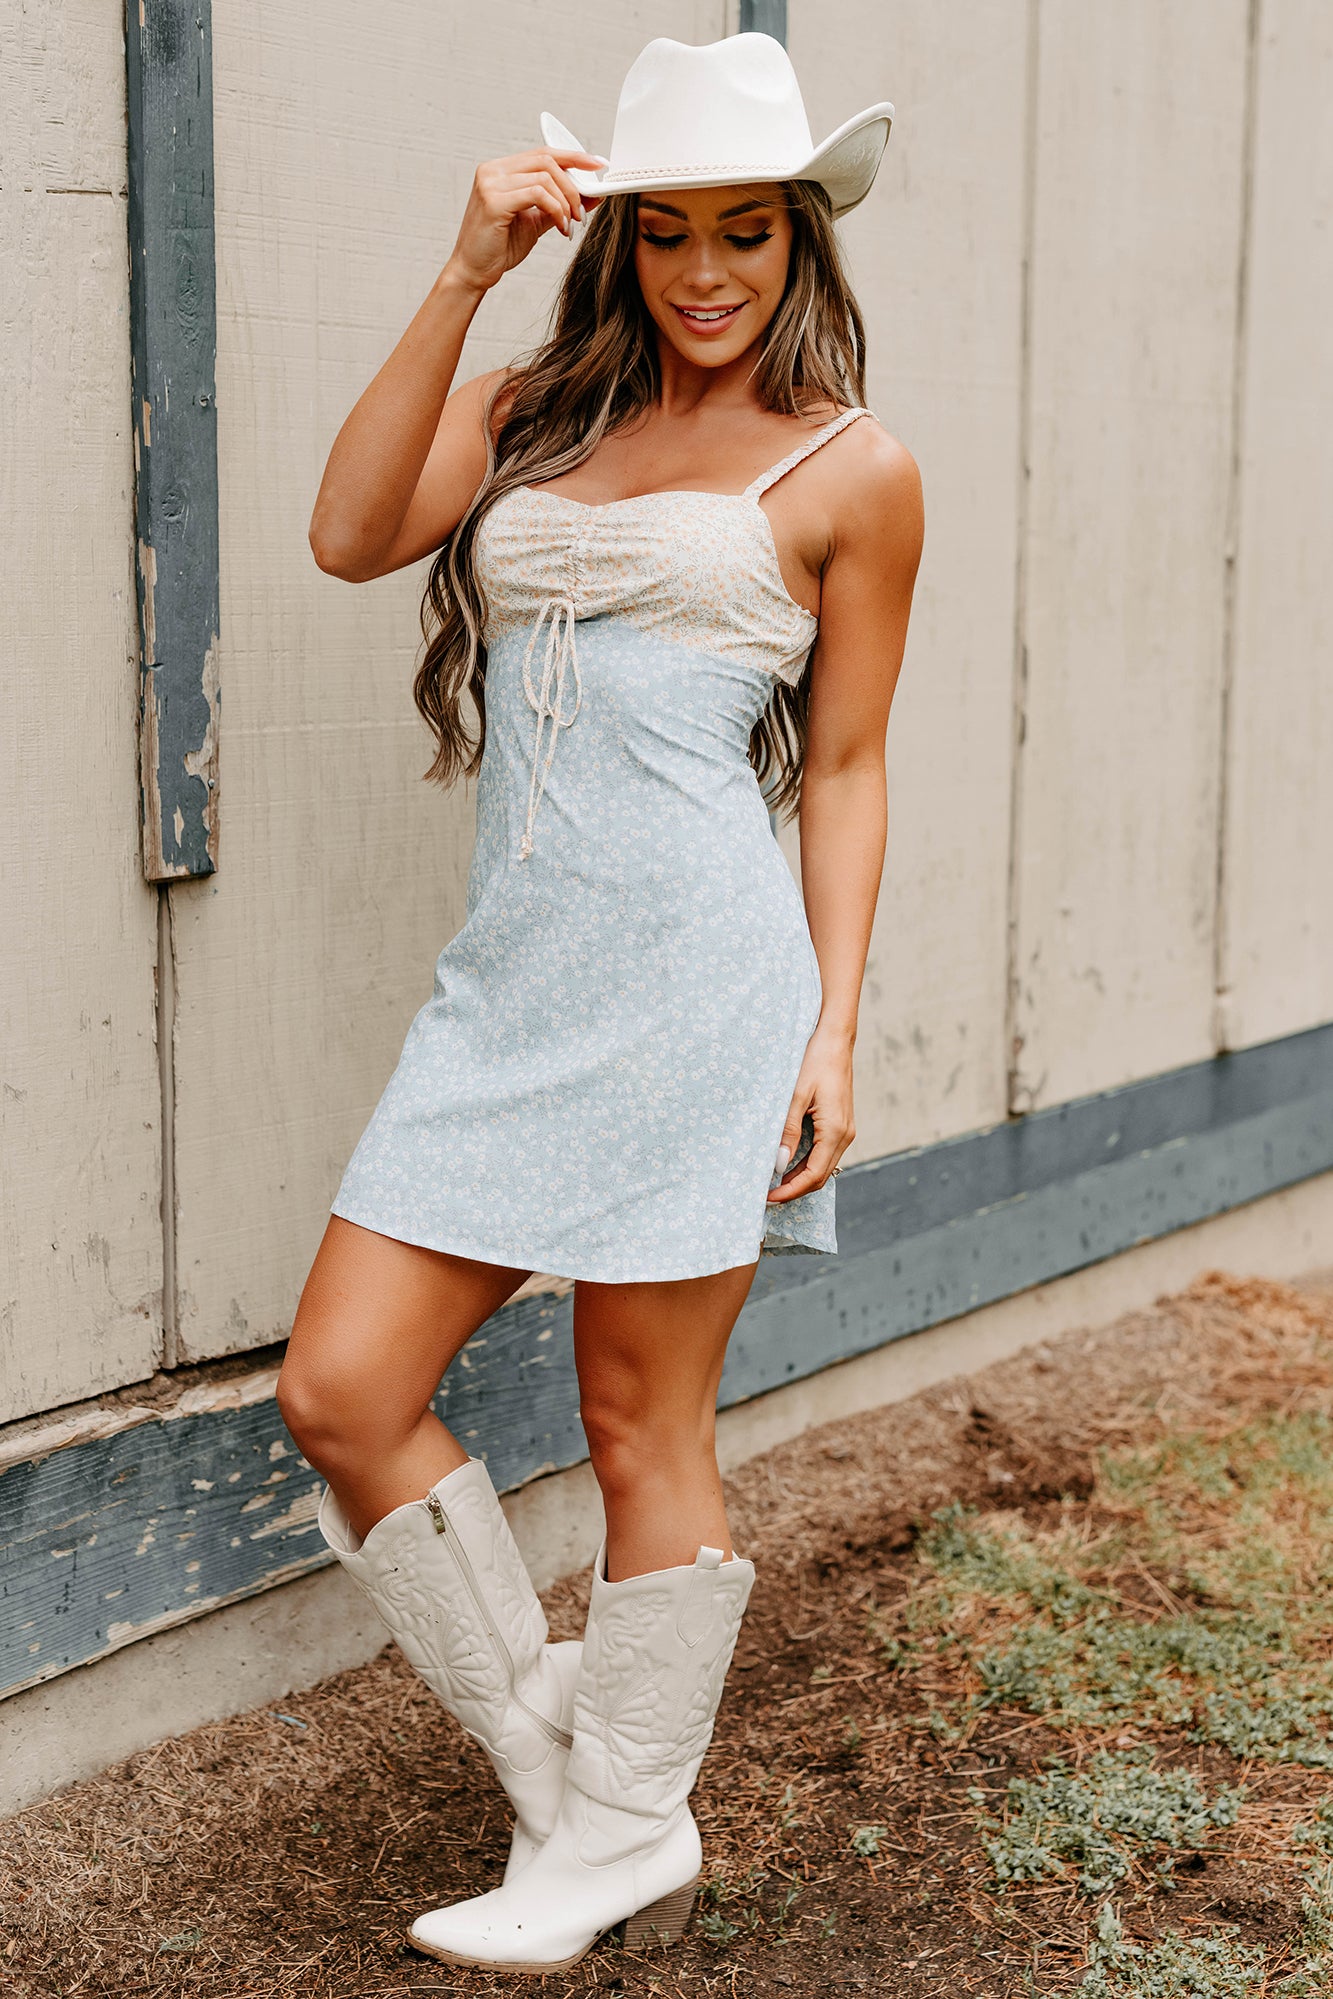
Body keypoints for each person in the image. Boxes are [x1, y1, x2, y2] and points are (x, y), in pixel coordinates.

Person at [276, 29, 922, 1976]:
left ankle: (621, 1826)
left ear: (799, 241)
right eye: (667, 232)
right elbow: (348, 533)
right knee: (341, 1388)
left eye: (746, 231)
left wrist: (831, 1027)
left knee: (643, 1422)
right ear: (618, 242)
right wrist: (465, 267)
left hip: (703, 991)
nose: (706, 271)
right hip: (509, 995)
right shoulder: (529, 410)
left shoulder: (852, 468)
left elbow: (847, 767)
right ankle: (566, 1770)